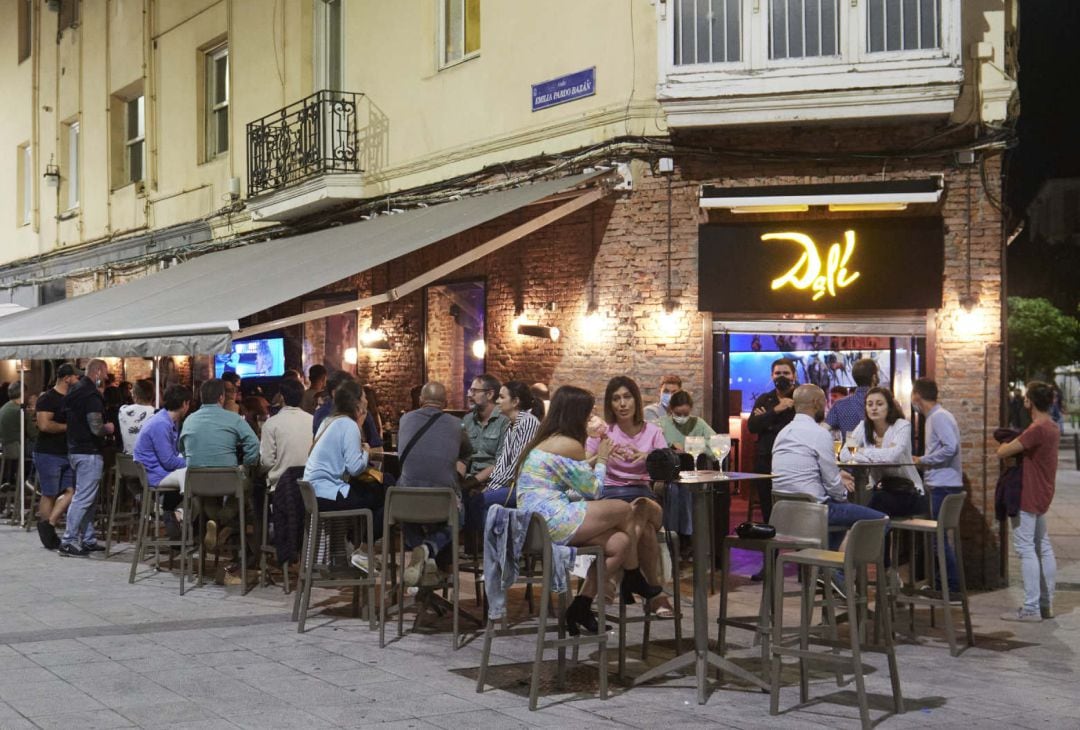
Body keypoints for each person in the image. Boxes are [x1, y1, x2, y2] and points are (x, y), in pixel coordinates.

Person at [516, 385, 661, 635]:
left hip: (536, 522)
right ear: (576, 414)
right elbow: (593, 490)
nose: (591, 418)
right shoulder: (570, 443)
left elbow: (574, 472)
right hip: (552, 518)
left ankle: (581, 606)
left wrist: (595, 459)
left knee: (620, 543)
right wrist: (603, 457)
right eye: (588, 413)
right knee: (625, 509)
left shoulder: (552, 440)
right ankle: (634, 574)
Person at [771, 385, 887, 562]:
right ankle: (844, 573)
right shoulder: (819, 434)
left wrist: (837, 479)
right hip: (815, 512)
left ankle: (827, 573)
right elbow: (833, 486)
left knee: (839, 516)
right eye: (825, 403)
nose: (826, 408)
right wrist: (843, 494)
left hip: (785, 513)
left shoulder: (782, 433)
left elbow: (805, 471)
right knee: (881, 520)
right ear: (817, 403)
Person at [587, 376, 672, 613]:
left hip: (644, 495)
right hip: (611, 497)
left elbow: (669, 468)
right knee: (642, 529)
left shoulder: (653, 432)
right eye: (616, 399)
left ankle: (611, 582)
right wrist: (602, 455)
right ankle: (656, 594)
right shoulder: (604, 433)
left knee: (640, 507)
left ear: (636, 400)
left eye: (627, 397)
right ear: (610, 404)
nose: (622, 404)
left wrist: (647, 457)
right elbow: (582, 468)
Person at [396, 382, 473, 586]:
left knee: (402, 517)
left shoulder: (404, 419)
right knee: (459, 516)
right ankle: (429, 548)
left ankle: (418, 548)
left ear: (420, 400)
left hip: (406, 499)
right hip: (442, 499)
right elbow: (467, 451)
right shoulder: (457, 425)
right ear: (446, 403)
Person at [997, 381, 1059, 622]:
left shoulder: (1037, 429)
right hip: (1043, 492)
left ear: (1028, 402)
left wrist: (1004, 445)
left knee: (1026, 550)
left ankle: (1031, 608)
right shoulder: (1052, 427)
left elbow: (1003, 452)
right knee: (1043, 547)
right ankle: (1046, 604)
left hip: (1027, 494)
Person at [179, 378, 260, 555]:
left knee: (206, 496)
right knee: (246, 487)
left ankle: (215, 523)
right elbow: (254, 444)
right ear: (221, 397)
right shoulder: (233, 419)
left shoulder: (189, 420)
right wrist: (246, 465)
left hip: (196, 480)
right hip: (228, 479)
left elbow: (182, 449)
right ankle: (225, 522)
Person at [463, 381, 541, 531]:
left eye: (501, 397)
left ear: (515, 402)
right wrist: (491, 486)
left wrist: (492, 488)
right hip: (508, 485)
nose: (497, 401)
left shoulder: (528, 422)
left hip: (522, 488)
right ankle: (492, 547)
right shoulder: (510, 425)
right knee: (471, 500)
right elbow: (502, 463)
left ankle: (500, 548)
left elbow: (517, 464)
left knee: (477, 502)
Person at [304, 380, 382, 525]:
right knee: (384, 490)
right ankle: (365, 542)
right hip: (329, 493)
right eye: (364, 397)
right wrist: (366, 452)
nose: (366, 400)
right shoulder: (348, 424)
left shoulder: (328, 420)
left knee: (371, 489)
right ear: (356, 402)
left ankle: (351, 541)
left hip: (313, 492)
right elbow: (355, 468)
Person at [58, 359, 114, 557]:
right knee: (83, 498)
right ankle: (68, 540)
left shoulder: (74, 390)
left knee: (87, 497)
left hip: (74, 449)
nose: (107, 377)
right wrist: (108, 428)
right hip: (89, 451)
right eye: (105, 373)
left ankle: (88, 538)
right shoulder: (91, 395)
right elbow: (96, 427)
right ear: (97, 372)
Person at [911, 378, 963, 592]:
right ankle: (942, 584)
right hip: (944, 484)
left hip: (943, 485)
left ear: (917, 396)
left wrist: (922, 460)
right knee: (938, 538)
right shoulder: (937, 416)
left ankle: (948, 586)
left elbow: (950, 448)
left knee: (938, 539)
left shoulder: (938, 417)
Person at [842, 387, 925, 518]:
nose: (874, 408)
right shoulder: (862, 426)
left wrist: (862, 451)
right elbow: (844, 454)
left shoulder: (902, 426)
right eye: (870, 404)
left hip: (909, 491)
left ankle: (867, 534)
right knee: (872, 501)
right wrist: (878, 454)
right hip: (881, 488)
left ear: (889, 407)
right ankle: (872, 534)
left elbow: (892, 456)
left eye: (879, 404)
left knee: (875, 505)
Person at [133, 385, 191, 540]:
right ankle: (182, 515)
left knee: (190, 475)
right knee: (192, 474)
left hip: (158, 471)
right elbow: (169, 462)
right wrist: (193, 463)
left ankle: (174, 514)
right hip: (155, 475)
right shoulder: (161, 424)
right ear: (185, 403)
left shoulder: (168, 420)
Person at [32, 363, 80, 550]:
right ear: (67, 378)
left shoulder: (73, 398)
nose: (78, 380)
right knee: (50, 493)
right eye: (76, 377)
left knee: (71, 491)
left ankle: (48, 524)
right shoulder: (48, 398)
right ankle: (47, 532)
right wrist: (70, 428)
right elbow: (44, 425)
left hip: (67, 452)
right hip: (47, 452)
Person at [748, 358, 798, 524]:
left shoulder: (801, 397)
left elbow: (797, 427)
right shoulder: (765, 399)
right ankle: (771, 549)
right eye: (778, 373)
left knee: (794, 510)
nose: (781, 377)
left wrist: (767, 420)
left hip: (793, 461)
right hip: (766, 460)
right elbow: (753, 426)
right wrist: (777, 409)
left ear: (794, 376)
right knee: (768, 510)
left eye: (786, 373)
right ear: (772, 376)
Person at [259, 378, 313, 491]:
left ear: (282, 397)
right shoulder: (313, 420)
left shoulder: (271, 424)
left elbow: (267, 462)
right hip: (310, 484)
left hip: (281, 486)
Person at [462, 374, 509, 492]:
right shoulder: (467, 420)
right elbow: (461, 456)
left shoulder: (504, 421)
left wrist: (472, 482)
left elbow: (501, 462)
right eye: (470, 390)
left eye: (474, 391)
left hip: (492, 483)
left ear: (489, 394)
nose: (469, 395)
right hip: (467, 480)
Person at [826, 358, 878, 438]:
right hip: (878, 450)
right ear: (874, 377)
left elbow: (824, 430)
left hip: (850, 448)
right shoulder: (885, 403)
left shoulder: (839, 405)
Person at [118, 379, 156, 455]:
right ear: (153, 395)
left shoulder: (123, 410)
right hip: (149, 462)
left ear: (134, 395)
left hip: (127, 461)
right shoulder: (157, 414)